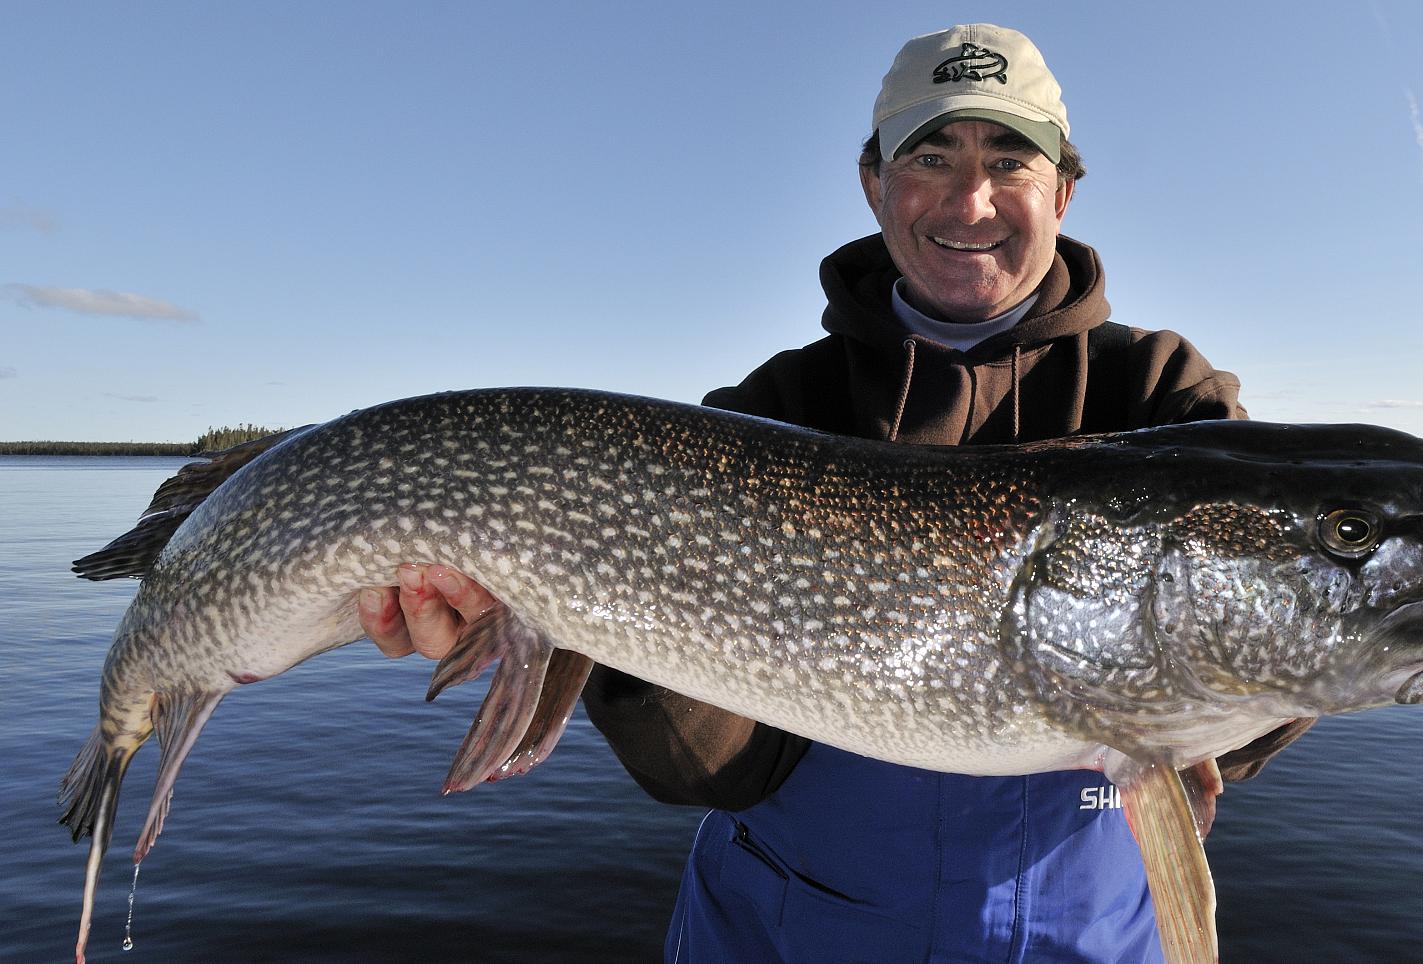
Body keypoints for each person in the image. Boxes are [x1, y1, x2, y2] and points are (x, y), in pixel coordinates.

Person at [358, 23, 1311, 962]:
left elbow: (1282, 658)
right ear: (874, 184)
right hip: (787, 930)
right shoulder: (771, 410)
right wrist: (584, 614)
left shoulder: (1163, 398)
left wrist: (1220, 720)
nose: (970, 199)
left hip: (1083, 936)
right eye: (930, 155)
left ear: (1062, 190)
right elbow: (711, 769)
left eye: (1009, 160)